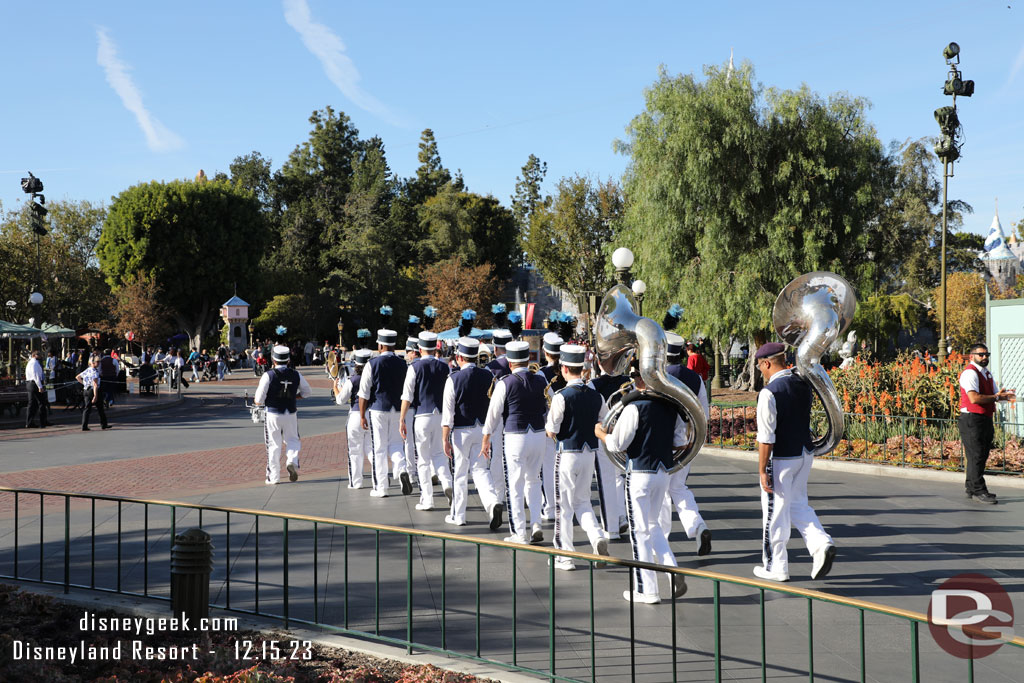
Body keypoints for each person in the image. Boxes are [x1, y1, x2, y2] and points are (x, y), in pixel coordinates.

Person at [595, 366, 688, 605]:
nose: (634, 381)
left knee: (639, 532)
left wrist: (601, 433)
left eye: (635, 377)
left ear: (640, 380)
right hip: (662, 471)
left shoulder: (633, 408)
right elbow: (680, 441)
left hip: (639, 472)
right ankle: (671, 569)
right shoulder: (671, 407)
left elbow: (617, 444)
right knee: (653, 525)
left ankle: (647, 589)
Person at [754, 342, 835, 582]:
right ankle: (821, 544)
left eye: (760, 367)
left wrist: (761, 470)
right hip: (803, 453)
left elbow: (766, 438)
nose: (761, 372)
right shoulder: (803, 384)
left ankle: (775, 566)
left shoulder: (769, 392)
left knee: (774, 513)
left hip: (781, 458)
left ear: (766, 363)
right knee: (798, 505)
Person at [545, 344, 610, 570]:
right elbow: (602, 422)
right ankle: (596, 536)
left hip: (567, 454)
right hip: (588, 453)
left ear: (564, 368)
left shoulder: (561, 396)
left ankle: (565, 555)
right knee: (582, 501)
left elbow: (551, 430)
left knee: (563, 505)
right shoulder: (596, 396)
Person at [482, 340, 549, 544]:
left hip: (515, 436)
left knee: (516, 484)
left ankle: (519, 533)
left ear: (510, 363)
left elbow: (493, 414)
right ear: (528, 359)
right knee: (534, 480)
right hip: (537, 433)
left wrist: (486, 438)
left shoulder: (505, 383)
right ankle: (536, 523)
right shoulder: (541, 380)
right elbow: (550, 406)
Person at [442, 337, 504, 528]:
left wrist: (445, 438)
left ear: (460, 357)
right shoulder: (488, 376)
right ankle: (492, 502)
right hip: (483, 429)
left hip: (461, 430)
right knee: (481, 470)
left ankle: (458, 515)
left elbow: (448, 413)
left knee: (460, 474)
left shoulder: (453, 379)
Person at [660, 333, 712, 556]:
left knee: (661, 493)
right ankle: (697, 525)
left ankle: (660, 541)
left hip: (661, 441)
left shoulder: (658, 376)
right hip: (687, 442)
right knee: (679, 488)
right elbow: (704, 414)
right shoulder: (695, 378)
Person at [400, 331, 454, 511]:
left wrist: (402, 419)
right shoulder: (445, 367)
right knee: (439, 454)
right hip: (440, 416)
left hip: (422, 415)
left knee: (422, 460)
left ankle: (427, 498)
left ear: (420, 348)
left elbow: (407, 396)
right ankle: (447, 483)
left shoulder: (414, 367)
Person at [958, 343, 1016, 504]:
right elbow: (974, 398)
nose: (984, 357)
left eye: (986, 355)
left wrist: (1005, 396)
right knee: (976, 454)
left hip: (984, 417)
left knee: (980, 454)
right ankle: (979, 490)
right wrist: (996, 397)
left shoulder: (987, 374)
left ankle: (971, 486)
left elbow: (994, 394)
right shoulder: (970, 373)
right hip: (971, 418)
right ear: (972, 356)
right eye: (981, 355)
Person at [358, 329, 409, 498]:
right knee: (395, 444)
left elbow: (364, 393)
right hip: (397, 408)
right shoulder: (403, 364)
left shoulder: (372, 364)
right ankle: (401, 470)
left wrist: (361, 414)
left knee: (379, 448)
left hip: (378, 408)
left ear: (380, 345)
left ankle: (382, 487)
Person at [254, 345, 313, 485]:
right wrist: (294, 396)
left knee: (273, 444)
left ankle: (273, 477)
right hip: (290, 412)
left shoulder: (268, 375)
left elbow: (259, 399)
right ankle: (292, 461)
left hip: (273, 413)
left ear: (273, 360)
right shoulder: (296, 374)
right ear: (288, 360)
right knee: (293, 439)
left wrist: (260, 402)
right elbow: (307, 392)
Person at [588, 367, 630, 539]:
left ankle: (611, 528)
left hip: (604, 435)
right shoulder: (629, 382)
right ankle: (621, 516)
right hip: (625, 434)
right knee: (619, 478)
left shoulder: (594, 384)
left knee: (606, 480)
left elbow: (592, 410)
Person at [537, 333, 565, 521]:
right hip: (570, 424)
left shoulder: (541, 374)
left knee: (548, 469)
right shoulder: (568, 369)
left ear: (545, 352)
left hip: (550, 426)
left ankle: (550, 507)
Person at [336, 349, 373, 489]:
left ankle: (356, 482)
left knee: (355, 451)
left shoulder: (353, 379)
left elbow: (340, 400)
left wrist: (336, 387)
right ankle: (380, 481)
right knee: (373, 450)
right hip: (372, 415)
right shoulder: (374, 378)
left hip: (356, 415)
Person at [485, 329, 513, 508]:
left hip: (499, 416)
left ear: (495, 349)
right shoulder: (519, 362)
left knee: (497, 457)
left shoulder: (492, 367)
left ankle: (499, 494)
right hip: (518, 416)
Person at [77, 356, 110, 431]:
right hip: (92, 390)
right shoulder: (94, 372)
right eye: (97, 362)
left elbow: (78, 377)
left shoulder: (88, 370)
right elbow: (95, 384)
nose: (98, 363)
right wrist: (95, 395)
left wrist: (85, 384)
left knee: (87, 408)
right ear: (92, 362)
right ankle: (103, 424)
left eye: (99, 361)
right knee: (100, 407)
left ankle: (84, 425)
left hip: (86, 390)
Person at [24, 350, 50, 428]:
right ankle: (43, 422)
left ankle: (29, 422)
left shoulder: (30, 363)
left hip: (29, 383)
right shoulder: (35, 363)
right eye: (39, 355)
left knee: (32, 404)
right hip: (35, 384)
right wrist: (40, 386)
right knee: (42, 403)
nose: (41, 356)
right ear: (34, 355)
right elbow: (36, 375)